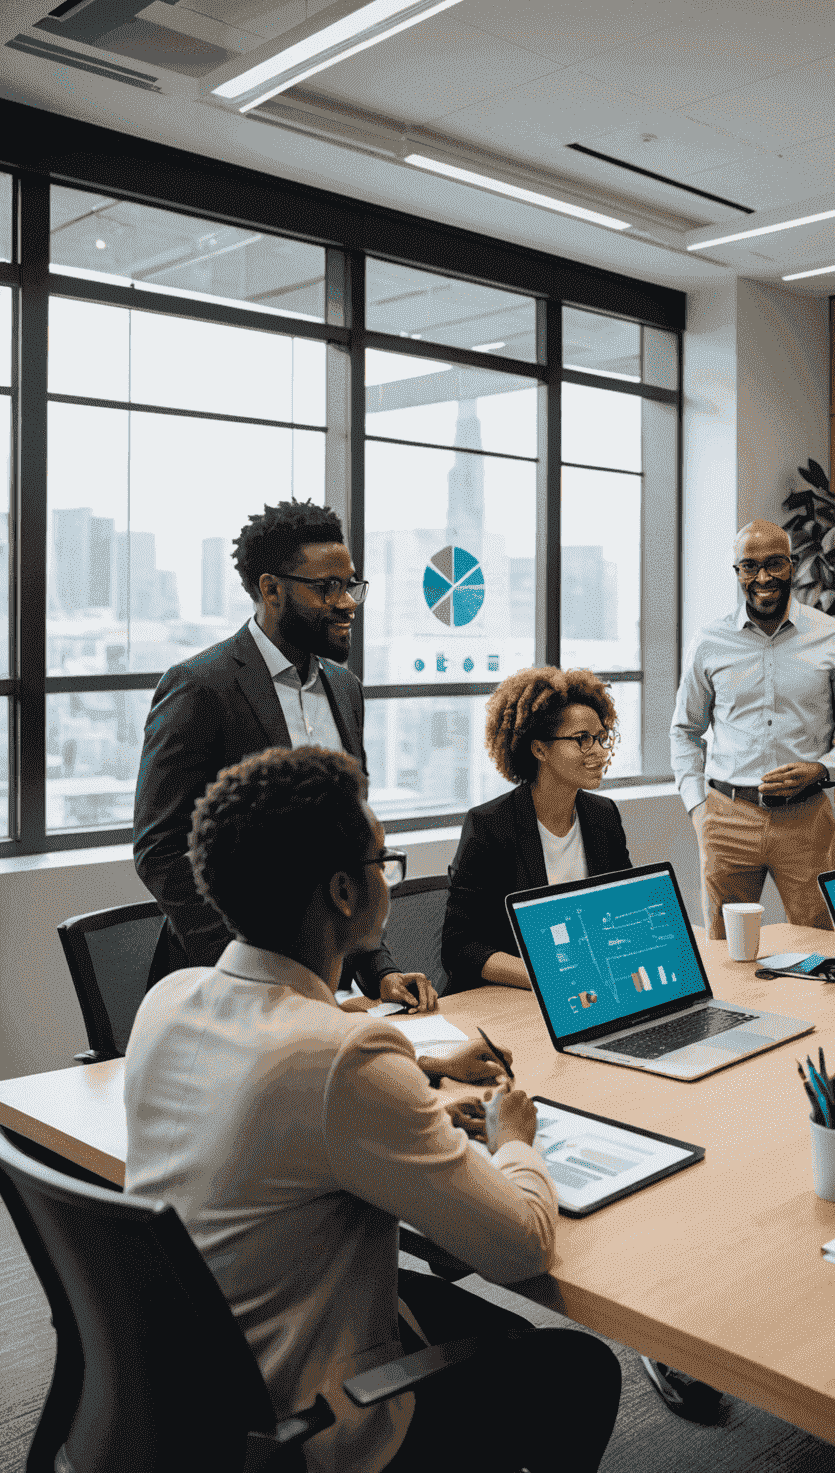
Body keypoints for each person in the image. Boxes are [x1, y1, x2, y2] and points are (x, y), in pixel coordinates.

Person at [123, 745, 621, 1473]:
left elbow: (282, 1072)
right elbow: (520, 1246)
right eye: (384, 862)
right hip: (310, 1410)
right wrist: (512, 1141)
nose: (390, 877)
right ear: (345, 893)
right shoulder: (344, 1058)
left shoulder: (169, 999)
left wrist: (413, 1077)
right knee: (579, 1366)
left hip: (198, 1373)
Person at [133, 498, 434, 1011]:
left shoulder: (344, 688)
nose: (347, 603)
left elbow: (350, 851)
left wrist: (377, 970)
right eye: (326, 587)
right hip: (225, 990)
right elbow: (161, 849)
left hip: (324, 982)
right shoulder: (200, 687)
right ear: (271, 589)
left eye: (351, 585)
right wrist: (260, 977)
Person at [671, 518, 835, 938]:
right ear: (737, 572)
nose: (762, 577)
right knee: (726, 952)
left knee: (817, 945)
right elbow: (685, 731)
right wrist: (698, 809)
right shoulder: (709, 641)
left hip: (804, 818)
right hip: (725, 817)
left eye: (773, 564)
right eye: (749, 566)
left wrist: (822, 769)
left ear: (792, 564)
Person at [442, 667, 632, 992]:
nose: (600, 752)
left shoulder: (604, 816)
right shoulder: (490, 826)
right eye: (582, 740)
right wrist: (547, 976)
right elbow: (460, 947)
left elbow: (624, 912)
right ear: (539, 749)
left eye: (602, 738)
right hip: (512, 999)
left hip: (591, 990)